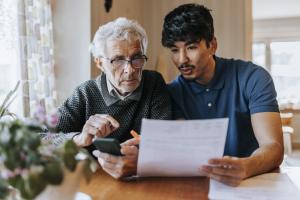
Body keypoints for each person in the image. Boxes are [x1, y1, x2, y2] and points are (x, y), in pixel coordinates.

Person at [162, 4, 283, 186]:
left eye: (191, 47)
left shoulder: (253, 78)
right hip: (198, 186)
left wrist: (246, 167)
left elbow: (273, 147)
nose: (182, 59)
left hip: (253, 182)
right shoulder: (171, 93)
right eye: (174, 50)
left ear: (212, 45)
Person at [56, 17, 172, 179]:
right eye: (117, 60)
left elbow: (166, 142)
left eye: (137, 58)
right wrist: (79, 138)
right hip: (95, 181)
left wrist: (142, 157)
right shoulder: (85, 94)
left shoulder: (154, 83)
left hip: (143, 180)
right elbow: (40, 137)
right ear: (99, 63)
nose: (130, 70)